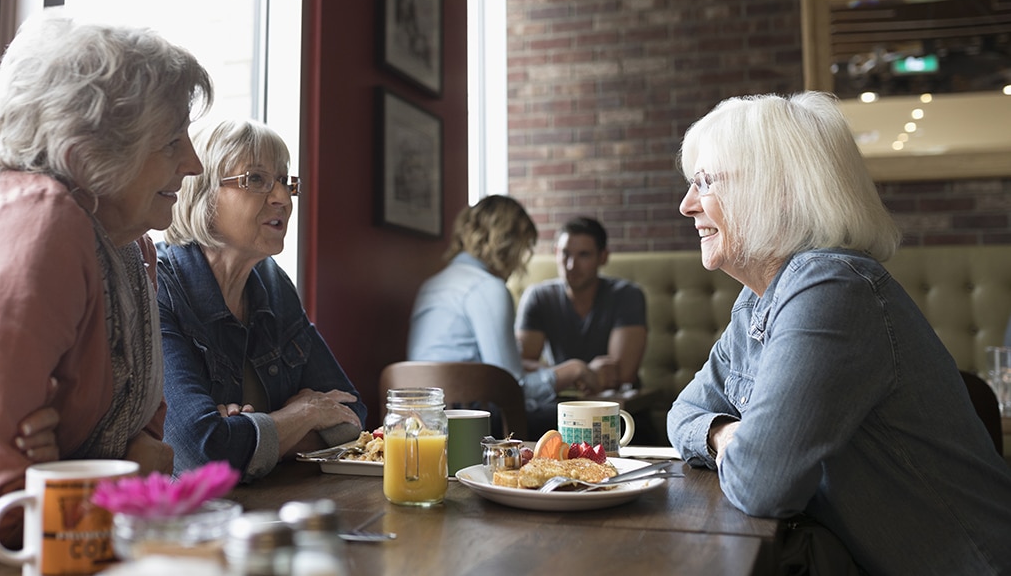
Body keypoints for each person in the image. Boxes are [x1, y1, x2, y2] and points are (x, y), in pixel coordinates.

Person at [0, 11, 213, 551]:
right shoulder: (34, 225)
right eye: (172, 142)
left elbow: (151, 441)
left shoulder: (129, 248)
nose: (194, 164)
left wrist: (92, 466)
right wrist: (116, 472)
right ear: (89, 158)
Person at [667, 91, 1011, 574]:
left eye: (704, 183)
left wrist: (731, 444)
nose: (686, 205)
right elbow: (683, 412)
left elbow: (761, 483)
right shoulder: (759, 302)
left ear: (777, 189)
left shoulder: (831, 288)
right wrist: (727, 434)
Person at [157, 119, 366, 481]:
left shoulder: (272, 282)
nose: (282, 198)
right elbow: (199, 452)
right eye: (255, 179)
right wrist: (303, 416)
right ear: (201, 191)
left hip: (270, 511)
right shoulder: (160, 285)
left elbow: (352, 414)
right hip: (181, 526)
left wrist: (247, 437)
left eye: (285, 181)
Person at [407, 195, 599, 435]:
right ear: (509, 243)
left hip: (418, 422)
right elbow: (513, 389)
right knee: (589, 419)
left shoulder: (434, 282)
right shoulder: (488, 288)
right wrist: (574, 370)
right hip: (468, 421)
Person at [515, 216, 656, 443]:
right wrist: (576, 371)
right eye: (565, 254)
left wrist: (553, 373)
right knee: (525, 423)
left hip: (615, 409)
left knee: (630, 427)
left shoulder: (626, 295)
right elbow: (519, 365)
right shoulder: (539, 296)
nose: (571, 265)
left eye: (584, 255)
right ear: (555, 252)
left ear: (603, 257)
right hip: (560, 407)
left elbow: (620, 374)